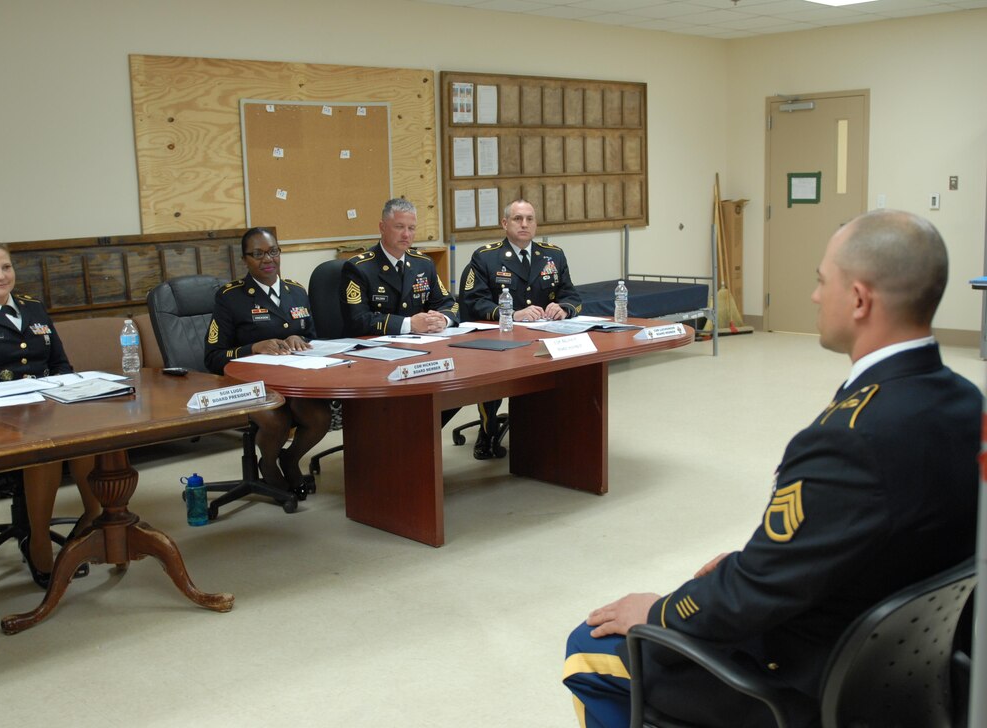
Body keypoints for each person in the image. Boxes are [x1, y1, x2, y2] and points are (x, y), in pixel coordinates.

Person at [562, 209, 981, 728]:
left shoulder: (849, 439)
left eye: (821, 281)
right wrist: (763, 558)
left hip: (808, 679)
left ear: (858, 299)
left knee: (586, 649)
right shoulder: (967, 403)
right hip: (910, 666)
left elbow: (748, 597)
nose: (813, 296)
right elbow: (877, 530)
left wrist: (657, 611)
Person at [0, 239, 100, 588]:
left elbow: (60, 365)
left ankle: (94, 516)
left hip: (45, 406)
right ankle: (38, 540)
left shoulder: (34, 308)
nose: (0, 276)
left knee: (94, 433)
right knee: (46, 450)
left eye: (6, 267)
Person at [204, 227, 331, 491]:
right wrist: (253, 347)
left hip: (293, 379)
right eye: (258, 254)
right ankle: (269, 465)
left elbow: (313, 338)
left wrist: (300, 339)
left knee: (319, 417)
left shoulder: (296, 291)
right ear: (244, 260)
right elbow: (213, 356)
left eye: (273, 252)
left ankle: (291, 459)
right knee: (277, 420)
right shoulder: (231, 297)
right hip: (250, 383)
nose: (268, 259)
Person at [462, 199, 582, 459]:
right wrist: (511, 313)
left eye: (529, 219)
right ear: (505, 223)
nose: (524, 224)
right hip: (500, 339)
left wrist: (564, 308)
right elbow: (474, 301)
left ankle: (547, 428)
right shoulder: (486, 257)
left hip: (543, 338)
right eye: (518, 218)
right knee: (492, 378)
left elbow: (571, 294)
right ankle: (488, 430)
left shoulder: (553, 255)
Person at [341, 197, 459, 336]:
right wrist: (409, 324)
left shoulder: (424, 263)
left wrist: (443, 320)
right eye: (399, 227)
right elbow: (357, 320)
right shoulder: (359, 268)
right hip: (376, 348)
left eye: (411, 228)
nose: (406, 234)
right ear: (382, 227)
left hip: (421, 343)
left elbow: (449, 304)